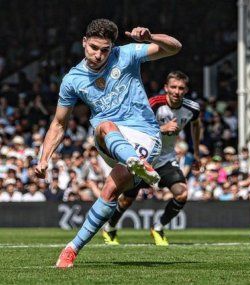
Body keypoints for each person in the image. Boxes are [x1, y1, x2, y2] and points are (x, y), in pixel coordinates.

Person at [35, 19, 182, 268]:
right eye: (93, 47)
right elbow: (59, 123)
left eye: (104, 49)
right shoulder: (72, 80)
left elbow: (174, 47)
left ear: (112, 47)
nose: (99, 55)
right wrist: (44, 157)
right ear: (84, 42)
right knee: (104, 125)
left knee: (110, 192)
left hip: (145, 136)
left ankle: (70, 250)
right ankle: (134, 161)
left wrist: (151, 37)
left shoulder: (126, 54)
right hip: (111, 140)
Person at [102, 71, 201, 246]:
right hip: (144, 156)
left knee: (182, 193)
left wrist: (197, 153)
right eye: (173, 87)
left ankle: (158, 227)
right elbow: (139, 127)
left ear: (186, 90)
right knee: (127, 199)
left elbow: (196, 126)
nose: (177, 91)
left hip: (166, 159)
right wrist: (163, 128)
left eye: (181, 88)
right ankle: (109, 228)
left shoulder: (192, 108)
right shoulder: (155, 104)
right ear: (166, 88)